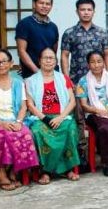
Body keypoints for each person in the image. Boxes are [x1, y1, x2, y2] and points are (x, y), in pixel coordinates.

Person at [0, 49, 39, 190]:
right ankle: (2, 171)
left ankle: (14, 171)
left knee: (26, 133)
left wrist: (19, 122)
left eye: (4, 61)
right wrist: (1, 123)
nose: (1, 64)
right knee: (5, 135)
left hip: (13, 120)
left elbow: (23, 106)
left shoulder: (18, 83)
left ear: (11, 64)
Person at [25, 48, 81, 184]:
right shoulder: (30, 81)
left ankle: (67, 169)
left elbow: (72, 102)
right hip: (41, 117)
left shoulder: (63, 78)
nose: (48, 61)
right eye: (45, 58)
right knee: (38, 131)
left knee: (70, 129)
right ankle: (46, 171)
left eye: (51, 58)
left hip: (62, 116)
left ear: (56, 62)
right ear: (39, 61)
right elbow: (30, 105)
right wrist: (45, 119)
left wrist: (60, 117)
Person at [60, 0, 108, 83]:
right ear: (77, 12)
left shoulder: (102, 32)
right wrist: (67, 80)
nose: (86, 12)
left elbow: (107, 54)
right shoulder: (69, 33)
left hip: (99, 79)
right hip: (76, 79)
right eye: (82, 10)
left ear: (93, 12)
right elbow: (64, 56)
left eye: (89, 10)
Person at [15, 0, 59, 78]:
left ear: (51, 6)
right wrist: (37, 71)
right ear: (34, 4)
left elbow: (54, 51)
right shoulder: (25, 24)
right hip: (32, 74)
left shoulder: (53, 27)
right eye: (41, 3)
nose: (44, 6)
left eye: (48, 4)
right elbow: (21, 51)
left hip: (51, 73)